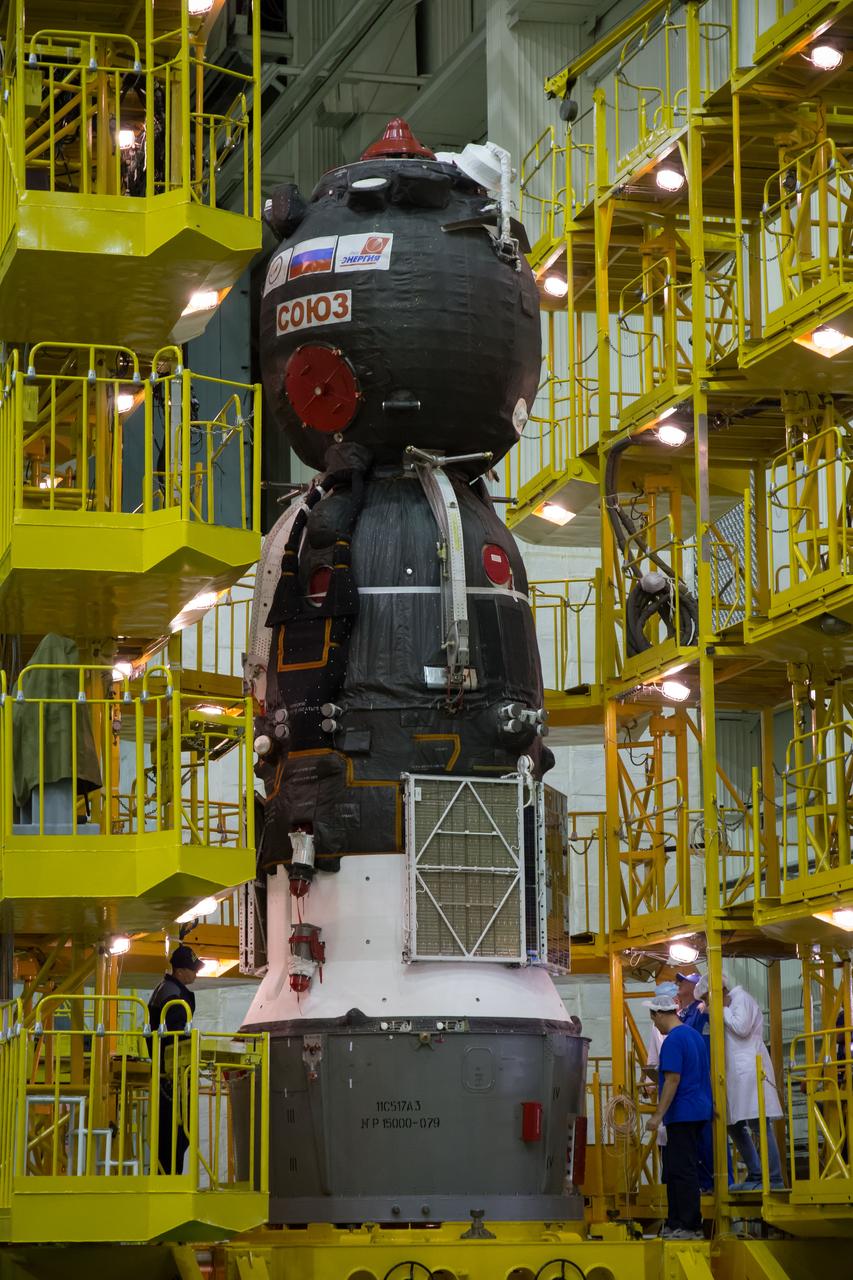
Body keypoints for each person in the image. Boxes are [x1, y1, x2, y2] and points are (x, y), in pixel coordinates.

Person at [694, 971, 785, 1190]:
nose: (707, 1004)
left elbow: (742, 1028)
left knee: (759, 1124)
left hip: (751, 1073)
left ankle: (773, 1177)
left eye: (707, 999)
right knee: (734, 1125)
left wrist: (720, 1010)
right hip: (737, 1076)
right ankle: (755, 1172)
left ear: (716, 993)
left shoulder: (741, 999)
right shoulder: (730, 1005)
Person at [645, 990, 712, 1239]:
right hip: (697, 1110)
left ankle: (689, 1224)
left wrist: (657, 1115)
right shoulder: (693, 1035)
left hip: (683, 1113)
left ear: (660, 1015)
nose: (655, 1026)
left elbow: (672, 1079)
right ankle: (676, 1222)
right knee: (676, 1167)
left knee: (682, 1169)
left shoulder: (673, 1040)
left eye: (654, 1020)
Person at [147, 944, 203, 1174]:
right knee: (175, 1135)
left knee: (174, 1136)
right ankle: (168, 1183)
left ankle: (168, 1181)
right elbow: (176, 1038)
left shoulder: (169, 989)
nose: (196, 973)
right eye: (192, 969)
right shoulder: (173, 996)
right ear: (179, 971)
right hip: (171, 1076)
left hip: (170, 1074)